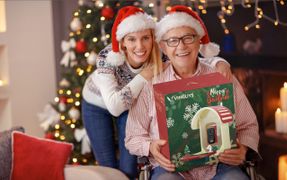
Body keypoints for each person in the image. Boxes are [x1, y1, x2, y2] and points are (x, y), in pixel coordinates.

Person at [82, 6, 232, 179]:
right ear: (122, 42)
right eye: (131, 39)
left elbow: (191, 57)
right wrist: (145, 76)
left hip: (131, 104)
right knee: (108, 168)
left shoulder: (160, 53)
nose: (140, 46)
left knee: (128, 169)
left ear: (153, 38)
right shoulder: (107, 57)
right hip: (97, 104)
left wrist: (220, 62)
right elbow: (115, 106)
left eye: (145, 38)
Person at [125, 5, 259, 180]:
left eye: (188, 38)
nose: (181, 46)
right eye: (172, 40)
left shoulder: (221, 76)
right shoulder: (151, 84)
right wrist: (150, 147)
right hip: (170, 169)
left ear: (199, 41)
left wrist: (244, 150)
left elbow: (248, 125)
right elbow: (133, 136)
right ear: (163, 47)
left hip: (220, 166)